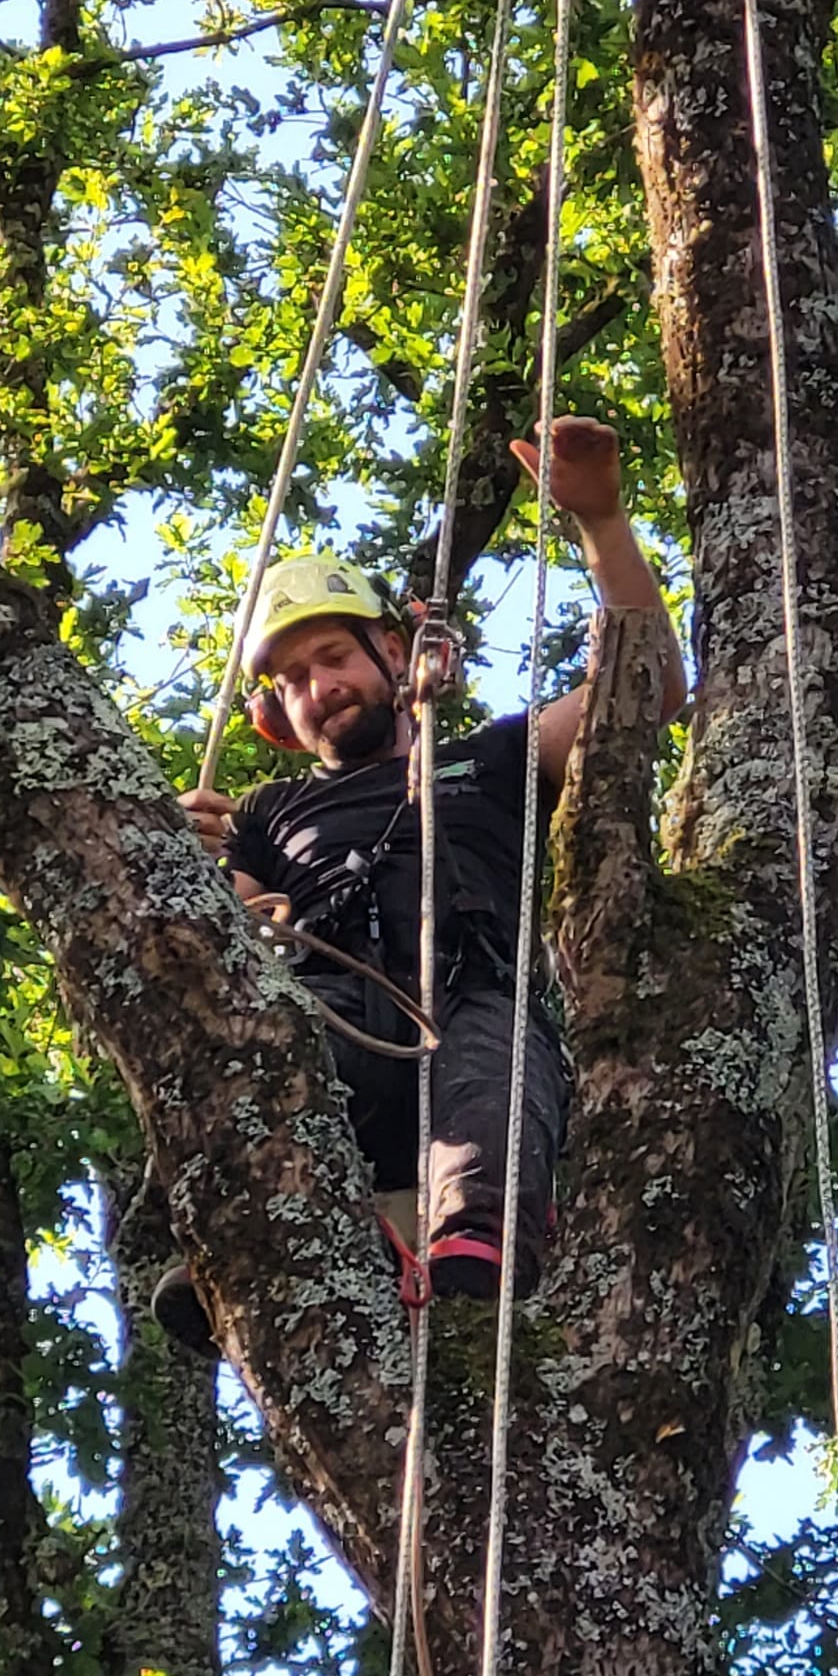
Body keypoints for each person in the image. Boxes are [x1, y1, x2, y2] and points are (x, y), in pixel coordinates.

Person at [156, 416, 687, 1353]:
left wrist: (601, 525)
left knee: (494, 1079)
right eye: (289, 680)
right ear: (274, 719)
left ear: (395, 658)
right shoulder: (271, 812)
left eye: (333, 658)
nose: (318, 686)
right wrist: (190, 860)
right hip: (332, 1003)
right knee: (252, 1050)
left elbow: (644, 689)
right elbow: (228, 926)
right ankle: (229, 1244)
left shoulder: (491, 760)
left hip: (468, 993)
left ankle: (474, 1238)